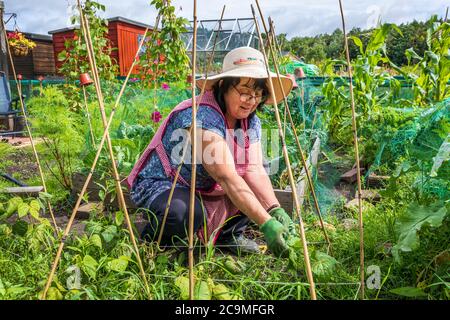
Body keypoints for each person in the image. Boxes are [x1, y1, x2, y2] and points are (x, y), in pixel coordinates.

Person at [127, 46, 296, 257]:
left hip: (206, 187)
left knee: (252, 183)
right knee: (183, 213)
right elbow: (226, 177)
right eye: (244, 92)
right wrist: (266, 224)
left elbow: (254, 170)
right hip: (168, 183)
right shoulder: (202, 116)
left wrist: (274, 209)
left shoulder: (250, 122)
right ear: (223, 85)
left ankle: (228, 236)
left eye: (258, 94)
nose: (251, 101)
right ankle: (152, 245)